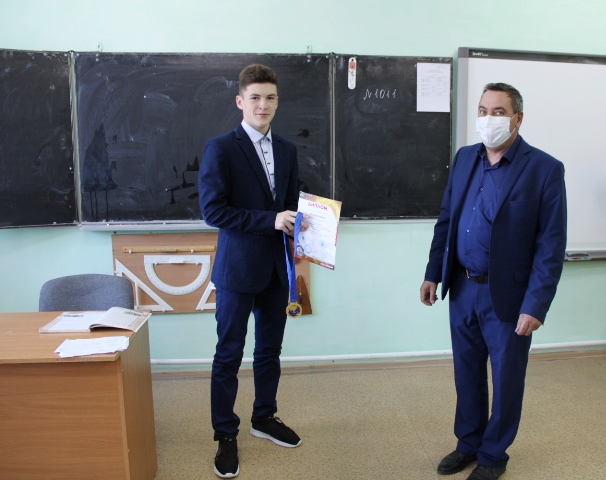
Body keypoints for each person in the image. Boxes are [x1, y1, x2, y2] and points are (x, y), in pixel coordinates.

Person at [420, 83, 567, 480]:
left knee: (506, 379)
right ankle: (468, 443)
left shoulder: (544, 169)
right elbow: (447, 220)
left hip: (509, 295)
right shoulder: (465, 158)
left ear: (518, 118)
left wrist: (536, 305)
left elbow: (551, 245)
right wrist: (433, 272)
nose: (488, 119)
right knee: (466, 372)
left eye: (498, 112)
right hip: (462, 286)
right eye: (483, 110)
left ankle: (493, 456)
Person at [198, 64, 302, 479]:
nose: (263, 105)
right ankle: (226, 433)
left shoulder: (288, 150)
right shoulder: (221, 148)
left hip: (276, 269)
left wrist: (309, 226)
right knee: (228, 354)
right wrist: (271, 220)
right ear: (240, 101)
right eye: (255, 97)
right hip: (237, 271)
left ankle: (264, 417)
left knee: (269, 351)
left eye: (270, 97)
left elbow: (291, 206)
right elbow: (213, 211)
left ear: (277, 101)